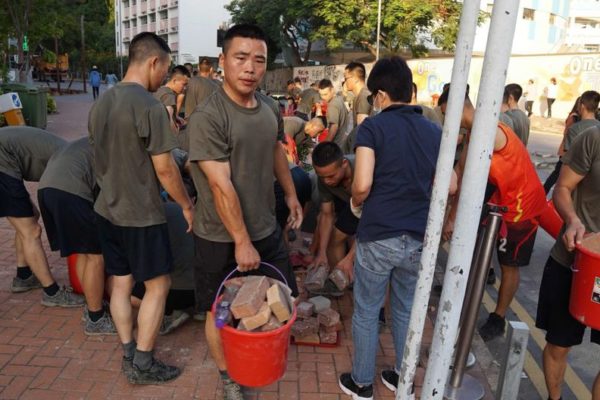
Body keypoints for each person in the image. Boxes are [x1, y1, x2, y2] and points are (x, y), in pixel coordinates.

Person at [186, 24, 303, 400]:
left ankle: (260, 348)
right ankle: (228, 377)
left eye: (258, 60)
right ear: (222, 62)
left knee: (284, 294)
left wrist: (290, 195)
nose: (250, 68)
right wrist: (241, 241)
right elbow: (220, 185)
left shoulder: (269, 107)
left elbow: (275, 152)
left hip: (266, 226)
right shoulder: (209, 116)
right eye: (240, 58)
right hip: (220, 236)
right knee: (218, 311)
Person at [338, 56, 451, 400]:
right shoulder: (435, 131)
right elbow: (454, 182)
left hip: (379, 233)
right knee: (404, 309)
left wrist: (358, 203)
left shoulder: (372, 127)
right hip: (419, 238)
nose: (373, 101)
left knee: (368, 310)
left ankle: (361, 383)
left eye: (374, 96)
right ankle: (402, 377)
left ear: (382, 95)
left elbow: (361, 184)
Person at [88, 32, 194, 385]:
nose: (164, 77)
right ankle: (144, 364)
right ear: (153, 62)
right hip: (139, 214)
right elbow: (165, 169)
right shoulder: (148, 106)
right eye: (164, 68)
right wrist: (186, 204)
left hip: (106, 207)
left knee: (120, 281)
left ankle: (129, 351)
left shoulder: (102, 101)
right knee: (158, 285)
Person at [440, 88, 547, 342]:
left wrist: (451, 219)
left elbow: (465, 176)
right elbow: (459, 169)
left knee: (508, 264)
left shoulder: (489, 132)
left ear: (459, 109)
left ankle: (498, 317)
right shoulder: (473, 133)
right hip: (501, 201)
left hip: (523, 206)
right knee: (485, 253)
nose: (445, 121)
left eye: (446, 114)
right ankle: (465, 299)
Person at [535, 125, 600, 400]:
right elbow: (562, 187)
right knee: (558, 345)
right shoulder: (593, 139)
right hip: (574, 262)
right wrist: (573, 220)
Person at [37, 137, 116, 335]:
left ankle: (92, 306)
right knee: (96, 256)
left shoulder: (89, 141)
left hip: (46, 189)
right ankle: (95, 318)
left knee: (83, 252)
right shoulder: (115, 143)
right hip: (70, 191)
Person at [0, 126, 84, 307]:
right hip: (2, 164)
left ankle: (24, 276)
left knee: (31, 218)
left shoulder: (75, 155)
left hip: (7, 160)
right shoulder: (73, 164)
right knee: (31, 231)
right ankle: (51, 293)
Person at [129, 202, 196, 335]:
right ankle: (195, 309)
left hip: (173, 292)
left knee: (122, 291)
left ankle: (167, 315)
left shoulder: (152, 216)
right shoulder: (194, 213)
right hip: (199, 291)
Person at [311, 142, 358, 282]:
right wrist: (322, 252)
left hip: (377, 209)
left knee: (371, 249)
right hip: (353, 205)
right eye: (322, 176)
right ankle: (340, 282)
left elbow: (371, 225)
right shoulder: (324, 178)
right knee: (334, 238)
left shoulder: (362, 169)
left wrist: (350, 257)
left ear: (344, 163)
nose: (327, 181)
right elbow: (326, 214)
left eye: (331, 176)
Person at [544, 97, 582, 194]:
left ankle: (544, 192)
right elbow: (569, 134)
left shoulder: (576, 117)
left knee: (558, 175)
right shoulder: (574, 117)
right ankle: (543, 192)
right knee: (557, 174)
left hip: (568, 151)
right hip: (566, 151)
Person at [343, 62, 372, 154]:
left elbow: (361, 129)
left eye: (346, 78)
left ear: (355, 79)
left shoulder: (363, 96)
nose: (344, 81)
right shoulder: (360, 96)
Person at [154, 65, 191, 131]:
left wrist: (176, 117)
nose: (185, 88)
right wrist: (176, 130)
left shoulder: (160, 90)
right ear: (174, 81)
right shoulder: (169, 96)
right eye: (184, 84)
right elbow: (169, 122)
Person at [318, 79, 350, 148]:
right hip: (342, 142)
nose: (323, 97)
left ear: (332, 90)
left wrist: (325, 145)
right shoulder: (339, 99)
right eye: (321, 95)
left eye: (325, 94)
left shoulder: (332, 105)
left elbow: (334, 126)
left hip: (337, 144)